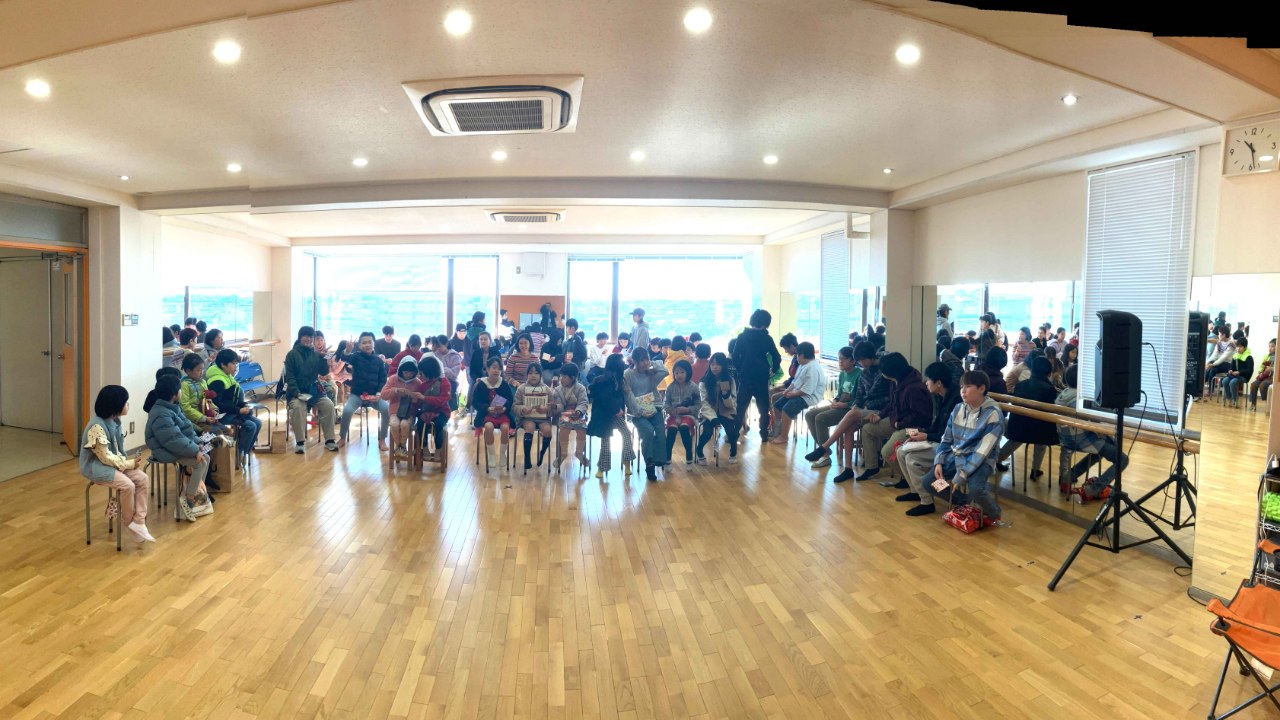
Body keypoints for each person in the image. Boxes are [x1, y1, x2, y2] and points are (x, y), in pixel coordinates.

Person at [803, 342, 890, 483]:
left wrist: (857, 407)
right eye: (860, 360)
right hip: (865, 410)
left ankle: (824, 448)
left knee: (849, 414)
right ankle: (848, 469)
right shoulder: (864, 373)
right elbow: (860, 396)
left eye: (863, 360)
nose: (861, 363)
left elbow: (886, 398)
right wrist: (856, 406)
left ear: (871, 357)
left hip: (880, 411)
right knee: (848, 427)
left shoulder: (883, 371)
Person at [81, 385, 154, 542]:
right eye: (126, 402)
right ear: (115, 405)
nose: (128, 405)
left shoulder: (115, 421)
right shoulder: (96, 426)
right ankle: (128, 523)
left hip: (112, 464)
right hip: (96, 467)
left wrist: (128, 463)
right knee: (128, 486)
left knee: (142, 478)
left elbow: (115, 451)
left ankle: (139, 522)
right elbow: (105, 457)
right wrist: (128, 464)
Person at [932, 370, 1005, 523]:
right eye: (961, 387)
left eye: (968, 386)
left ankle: (994, 513)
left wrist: (962, 474)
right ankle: (963, 502)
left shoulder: (993, 414)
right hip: (957, 455)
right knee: (929, 482)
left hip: (982, 460)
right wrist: (939, 460)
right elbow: (946, 438)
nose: (963, 391)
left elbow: (982, 451)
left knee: (976, 489)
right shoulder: (958, 408)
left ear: (981, 388)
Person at [895, 362, 962, 516]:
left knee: (912, 459)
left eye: (929, 379)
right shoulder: (941, 396)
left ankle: (927, 502)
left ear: (939, 383)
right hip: (938, 441)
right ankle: (916, 492)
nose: (926, 382)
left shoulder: (956, 400)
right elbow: (937, 424)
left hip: (949, 448)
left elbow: (950, 435)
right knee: (900, 451)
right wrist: (920, 435)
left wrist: (926, 436)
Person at [144, 375, 212, 522]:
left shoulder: (173, 407)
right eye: (180, 389)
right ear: (174, 394)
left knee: (206, 457)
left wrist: (198, 443)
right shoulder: (161, 413)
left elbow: (186, 430)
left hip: (173, 447)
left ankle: (197, 490)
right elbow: (173, 440)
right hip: (163, 450)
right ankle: (189, 499)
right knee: (200, 462)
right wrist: (194, 450)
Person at [856, 351, 932, 480]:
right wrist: (881, 415)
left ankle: (912, 479)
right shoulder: (895, 381)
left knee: (887, 452)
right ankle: (872, 467)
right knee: (868, 429)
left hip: (913, 428)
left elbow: (920, 416)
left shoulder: (914, 388)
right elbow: (892, 403)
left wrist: (900, 424)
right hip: (897, 422)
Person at [1054, 365, 1124, 501]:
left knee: (1099, 452)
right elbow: (1094, 422)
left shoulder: (1063, 394)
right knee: (1122, 459)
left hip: (1066, 438)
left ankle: (1069, 476)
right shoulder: (1080, 399)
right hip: (1080, 439)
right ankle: (1093, 489)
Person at [995, 355, 1058, 477]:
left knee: (1015, 439)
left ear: (1032, 370)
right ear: (1049, 373)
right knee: (1041, 442)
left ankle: (996, 460)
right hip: (1041, 433)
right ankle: (1035, 470)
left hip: (1018, 429)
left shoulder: (1021, 385)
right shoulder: (1050, 389)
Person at [283, 326, 338, 453]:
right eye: (306, 336)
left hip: (314, 392)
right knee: (298, 407)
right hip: (296, 393)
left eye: (311, 337)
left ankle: (330, 440)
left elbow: (324, 372)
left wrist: (324, 358)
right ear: (300, 337)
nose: (308, 339)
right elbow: (290, 378)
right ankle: (300, 442)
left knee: (329, 405)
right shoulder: (292, 355)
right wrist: (297, 393)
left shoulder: (316, 355)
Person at [731, 309, 783, 443]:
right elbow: (777, 357)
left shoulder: (742, 337)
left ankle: (734, 435)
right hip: (761, 376)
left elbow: (735, 357)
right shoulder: (767, 338)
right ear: (766, 323)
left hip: (746, 376)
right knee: (763, 409)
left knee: (740, 407)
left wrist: (741, 370)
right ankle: (764, 434)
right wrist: (774, 369)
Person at [206, 348, 262, 467]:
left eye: (236, 363)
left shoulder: (227, 376)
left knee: (258, 422)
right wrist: (238, 410)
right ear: (223, 364)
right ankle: (237, 454)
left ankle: (243, 453)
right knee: (251, 426)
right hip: (221, 415)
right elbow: (217, 405)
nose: (236, 367)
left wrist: (243, 405)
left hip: (230, 411)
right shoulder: (217, 381)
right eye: (233, 363)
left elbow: (232, 400)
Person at [805, 346, 859, 468]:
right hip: (840, 406)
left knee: (820, 418)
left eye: (843, 359)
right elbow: (839, 394)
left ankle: (824, 456)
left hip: (850, 409)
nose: (840, 362)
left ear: (852, 361)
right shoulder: (842, 374)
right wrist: (835, 401)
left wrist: (844, 404)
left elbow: (859, 399)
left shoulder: (859, 375)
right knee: (809, 415)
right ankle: (825, 449)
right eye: (839, 359)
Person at [587, 354, 636, 478]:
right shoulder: (604, 380)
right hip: (604, 416)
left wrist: (620, 410)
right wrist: (617, 410)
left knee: (626, 433)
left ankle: (626, 461)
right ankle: (602, 468)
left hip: (616, 415)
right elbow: (605, 400)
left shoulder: (619, 379)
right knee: (606, 441)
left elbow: (619, 398)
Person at [339, 331, 390, 449]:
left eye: (369, 342)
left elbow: (382, 380)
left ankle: (382, 439)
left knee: (386, 409)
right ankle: (342, 438)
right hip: (357, 395)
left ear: (374, 343)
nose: (367, 345)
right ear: (360, 345)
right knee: (347, 411)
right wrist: (347, 350)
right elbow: (345, 358)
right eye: (364, 343)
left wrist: (378, 394)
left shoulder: (379, 361)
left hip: (374, 396)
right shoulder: (356, 356)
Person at [625, 349, 669, 481]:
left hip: (653, 408)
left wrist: (652, 364)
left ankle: (659, 460)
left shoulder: (651, 373)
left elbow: (665, 371)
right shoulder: (628, 374)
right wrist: (639, 411)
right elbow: (628, 395)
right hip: (637, 411)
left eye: (647, 359)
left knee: (660, 431)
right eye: (642, 360)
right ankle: (649, 463)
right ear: (635, 361)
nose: (645, 363)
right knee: (648, 431)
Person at [768, 341, 823, 445]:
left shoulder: (812, 367)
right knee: (777, 406)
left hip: (809, 397)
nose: (796, 357)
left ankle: (784, 436)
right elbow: (795, 381)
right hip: (798, 393)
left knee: (787, 409)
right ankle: (779, 430)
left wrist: (792, 394)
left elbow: (808, 390)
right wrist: (788, 390)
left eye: (797, 355)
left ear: (802, 355)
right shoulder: (803, 365)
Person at [696, 352, 739, 464]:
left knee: (732, 431)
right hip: (709, 412)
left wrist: (726, 396)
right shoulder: (704, 381)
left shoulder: (729, 380)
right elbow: (703, 403)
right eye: (712, 364)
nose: (715, 367)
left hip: (726, 411)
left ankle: (733, 452)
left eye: (718, 364)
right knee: (707, 432)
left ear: (723, 366)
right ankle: (699, 451)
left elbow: (732, 403)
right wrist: (713, 417)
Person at [472, 356, 516, 465]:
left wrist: (504, 408)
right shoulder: (481, 384)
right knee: (488, 427)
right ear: (487, 369)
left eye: (499, 368)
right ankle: (491, 455)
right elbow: (475, 402)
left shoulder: (503, 384)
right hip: (486, 414)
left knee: (505, 428)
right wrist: (486, 408)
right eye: (494, 367)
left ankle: (502, 454)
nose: (496, 370)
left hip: (502, 414)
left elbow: (510, 400)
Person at [382, 356, 424, 459]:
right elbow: (383, 395)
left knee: (405, 424)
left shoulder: (418, 382)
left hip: (410, 413)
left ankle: (403, 445)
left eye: (411, 373)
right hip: (394, 412)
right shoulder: (393, 379)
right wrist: (396, 390)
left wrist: (414, 397)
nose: (408, 375)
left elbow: (421, 401)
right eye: (406, 372)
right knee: (394, 424)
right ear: (401, 370)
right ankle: (399, 446)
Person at [514, 364, 554, 469]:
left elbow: (553, 406)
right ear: (527, 375)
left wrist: (547, 409)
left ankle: (542, 453)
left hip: (543, 418)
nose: (533, 375)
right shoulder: (521, 388)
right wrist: (522, 409)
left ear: (540, 375)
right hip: (527, 418)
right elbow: (515, 406)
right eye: (530, 373)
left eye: (536, 373)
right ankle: (527, 457)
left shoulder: (547, 389)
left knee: (547, 431)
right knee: (530, 427)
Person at [551, 362, 589, 469]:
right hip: (563, 414)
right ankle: (563, 453)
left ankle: (579, 452)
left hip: (578, 414)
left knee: (582, 429)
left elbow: (583, 402)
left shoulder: (580, 388)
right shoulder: (558, 390)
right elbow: (560, 406)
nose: (561, 379)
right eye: (561, 377)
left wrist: (578, 412)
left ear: (572, 378)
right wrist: (555, 406)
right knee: (563, 428)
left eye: (564, 377)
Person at [664, 359, 702, 464]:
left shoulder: (693, 387)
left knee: (684, 428)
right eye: (676, 373)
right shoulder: (670, 387)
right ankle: (667, 459)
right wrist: (671, 410)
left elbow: (698, 404)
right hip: (673, 415)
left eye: (682, 372)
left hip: (689, 415)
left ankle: (689, 455)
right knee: (671, 431)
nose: (679, 375)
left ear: (688, 372)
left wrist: (688, 409)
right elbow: (666, 403)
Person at [415, 356, 452, 456]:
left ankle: (438, 449)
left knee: (438, 424)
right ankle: (423, 448)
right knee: (420, 424)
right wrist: (416, 400)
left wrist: (424, 398)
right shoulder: (422, 385)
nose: (420, 375)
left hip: (442, 412)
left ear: (429, 371)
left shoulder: (444, 382)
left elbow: (442, 401)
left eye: (422, 373)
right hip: (426, 412)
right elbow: (419, 404)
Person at [766, 333, 800, 433]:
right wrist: (784, 384)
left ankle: (779, 427)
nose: (785, 351)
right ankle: (773, 422)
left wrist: (786, 386)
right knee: (770, 392)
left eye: (786, 348)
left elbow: (797, 379)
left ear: (792, 346)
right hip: (791, 385)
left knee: (773, 397)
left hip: (797, 389)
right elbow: (793, 377)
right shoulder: (795, 357)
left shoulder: (800, 358)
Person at [178, 354, 220, 431]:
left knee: (227, 430)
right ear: (188, 371)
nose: (201, 372)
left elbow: (208, 400)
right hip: (194, 420)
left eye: (202, 369)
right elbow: (185, 407)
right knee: (217, 432)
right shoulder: (184, 384)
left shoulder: (203, 382)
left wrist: (214, 410)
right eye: (198, 370)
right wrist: (203, 418)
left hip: (207, 416)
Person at [1223, 337, 1254, 407]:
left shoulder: (1249, 357)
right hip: (1235, 375)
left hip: (1244, 377)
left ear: (1245, 347)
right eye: (1237, 347)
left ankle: (1235, 400)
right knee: (1224, 381)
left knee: (1233, 382)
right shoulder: (1235, 356)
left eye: (1240, 347)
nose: (1238, 349)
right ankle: (1229, 398)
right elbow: (1232, 367)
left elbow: (1250, 370)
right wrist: (1230, 370)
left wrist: (1239, 372)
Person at [1204, 326, 1236, 390]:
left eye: (1219, 334)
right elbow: (1214, 355)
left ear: (1224, 335)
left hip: (1227, 364)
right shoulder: (1219, 342)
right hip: (1218, 364)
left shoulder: (1231, 344)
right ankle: (1207, 389)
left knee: (1211, 368)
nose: (1218, 336)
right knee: (1211, 370)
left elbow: (1223, 357)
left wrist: (1213, 364)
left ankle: (1207, 388)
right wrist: (1207, 362)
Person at [1249, 338, 1275, 410]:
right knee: (1253, 384)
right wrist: (1260, 372)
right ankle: (1253, 404)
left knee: (1262, 385)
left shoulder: (1278, 357)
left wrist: (1271, 369)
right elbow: (1262, 366)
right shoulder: (1267, 356)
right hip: (1264, 376)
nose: (1270, 348)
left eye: (1272, 346)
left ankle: (1268, 403)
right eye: (1269, 346)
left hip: (1272, 377)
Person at [329, 339, 353, 406]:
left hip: (343, 376)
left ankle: (348, 402)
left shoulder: (349, 356)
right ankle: (347, 403)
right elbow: (336, 372)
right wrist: (344, 361)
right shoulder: (335, 357)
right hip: (336, 377)